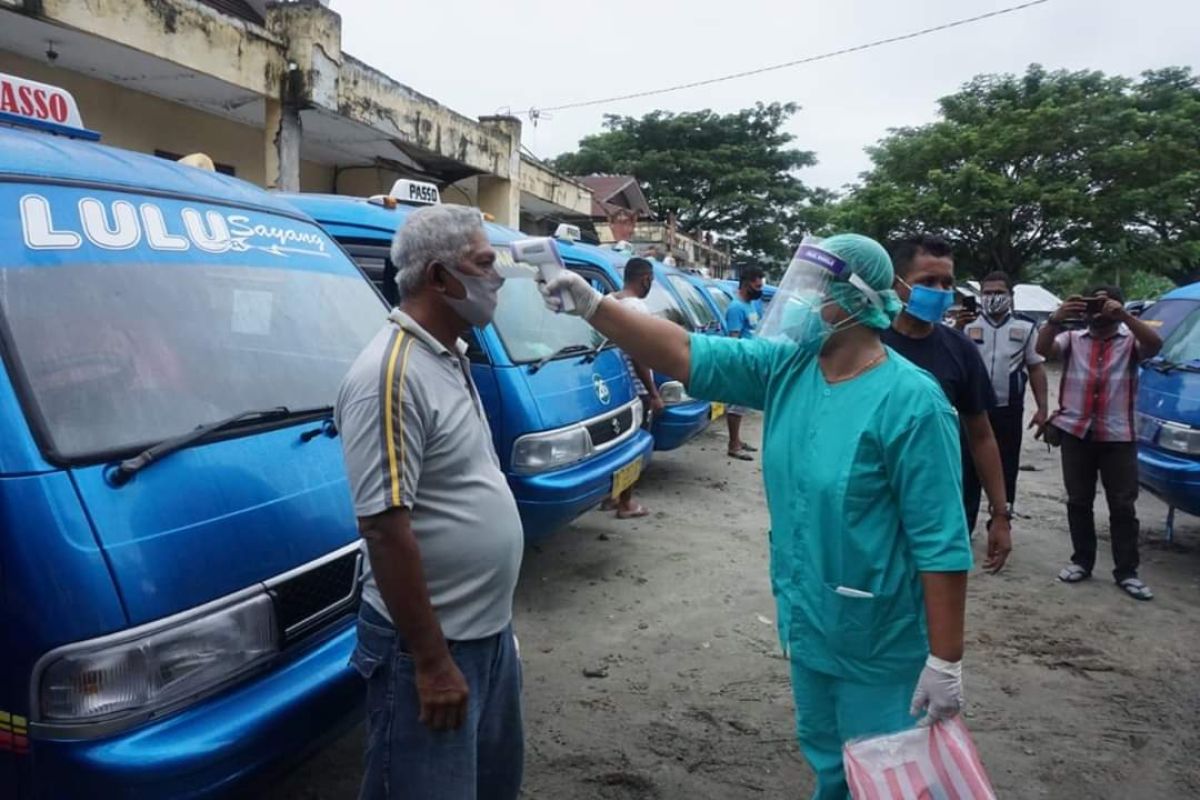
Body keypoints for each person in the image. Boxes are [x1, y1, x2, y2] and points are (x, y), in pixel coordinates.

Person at [540, 234, 972, 799]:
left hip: (880, 640)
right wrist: (595, 305)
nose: (798, 303)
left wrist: (946, 659)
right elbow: (683, 350)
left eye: (816, 292)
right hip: (811, 619)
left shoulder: (913, 402)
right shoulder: (788, 368)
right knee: (829, 761)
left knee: (885, 770)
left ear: (855, 301)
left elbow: (940, 542)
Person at [335, 205, 525, 799]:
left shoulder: (449, 353)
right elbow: (386, 530)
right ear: (442, 278)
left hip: (485, 635)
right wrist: (432, 661)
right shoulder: (390, 374)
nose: (497, 278)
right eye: (485, 263)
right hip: (430, 645)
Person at [881, 235, 1013, 573]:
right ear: (897, 285)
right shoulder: (869, 341)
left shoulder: (961, 351)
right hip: (873, 500)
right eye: (927, 282)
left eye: (947, 283)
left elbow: (981, 435)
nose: (940, 291)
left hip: (936, 502)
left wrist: (1000, 514)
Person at [1035, 285, 1162, 601]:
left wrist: (1126, 316)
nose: (1097, 311)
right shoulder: (1073, 339)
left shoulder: (1131, 341)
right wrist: (1054, 319)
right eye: (1093, 303)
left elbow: (1156, 345)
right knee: (1078, 500)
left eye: (1104, 304)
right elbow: (1042, 349)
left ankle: (1127, 572)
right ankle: (1082, 561)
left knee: (1122, 505)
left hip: (1119, 436)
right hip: (1076, 432)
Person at [954, 271, 1050, 512]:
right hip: (972, 409)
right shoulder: (967, 324)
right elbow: (949, 358)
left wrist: (1042, 408)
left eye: (999, 292)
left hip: (1008, 410)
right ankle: (965, 528)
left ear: (1011, 295)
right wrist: (957, 327)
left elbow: (1036, 367)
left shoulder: (1026, 327)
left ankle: (1001, 521)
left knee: (1007, 469)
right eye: (987, 293)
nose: (993, 297)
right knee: (968, 471)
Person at [605, 257, 663, 518]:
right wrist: (653, 393)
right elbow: (640, 355)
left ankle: (610, 497)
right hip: (637, 388)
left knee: (615, 446)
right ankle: (626, 504)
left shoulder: (610, 301)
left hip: (615, 386)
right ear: (646, 279)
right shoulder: (637, 308)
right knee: (633, 447)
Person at [724, 266, 766, 460]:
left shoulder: (751, 305)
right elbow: (734, 338)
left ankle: (738, 440)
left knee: (742, 405)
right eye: (757, 286)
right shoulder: (736, 308)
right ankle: (733, 445)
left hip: (750, 359)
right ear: (746, 284)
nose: (759, 290)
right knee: (735, 404)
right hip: (741, 360)